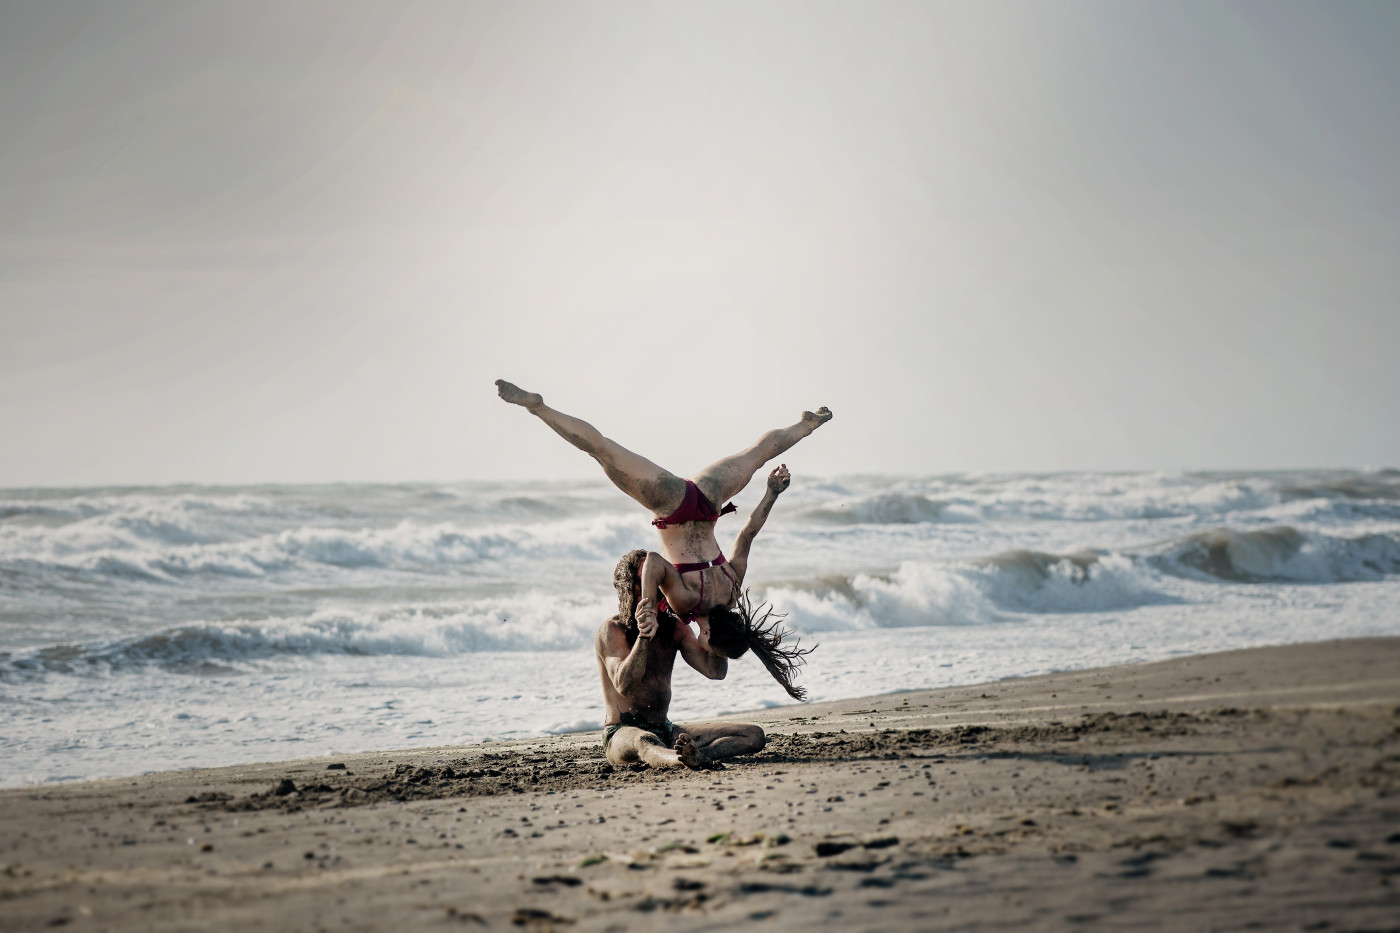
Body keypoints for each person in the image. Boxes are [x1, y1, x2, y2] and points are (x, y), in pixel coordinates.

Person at [495, 379, 832, 627]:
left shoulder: (731, 590)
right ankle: (539, 407)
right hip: (675, 507)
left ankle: (807, 424)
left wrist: (771, 492)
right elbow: (654, 561)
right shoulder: (688, 604)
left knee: (756, 455)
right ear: (710, 635)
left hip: (708, 501)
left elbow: (747, 534)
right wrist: (644, 604)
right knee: (602, 450)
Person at [596, 550, 765, 770]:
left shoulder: (674, 627)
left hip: (665, 728)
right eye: (639, 587)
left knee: (753, 736)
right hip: (622, 733)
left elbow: (715, 671)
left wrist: (717, 631)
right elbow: (625, 685)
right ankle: (677, 759)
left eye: (652, 587)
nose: (646, 595)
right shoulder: (612, 629)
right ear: (625, 590)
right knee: (644, 741)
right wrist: (644, 636)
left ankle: (696, 755)